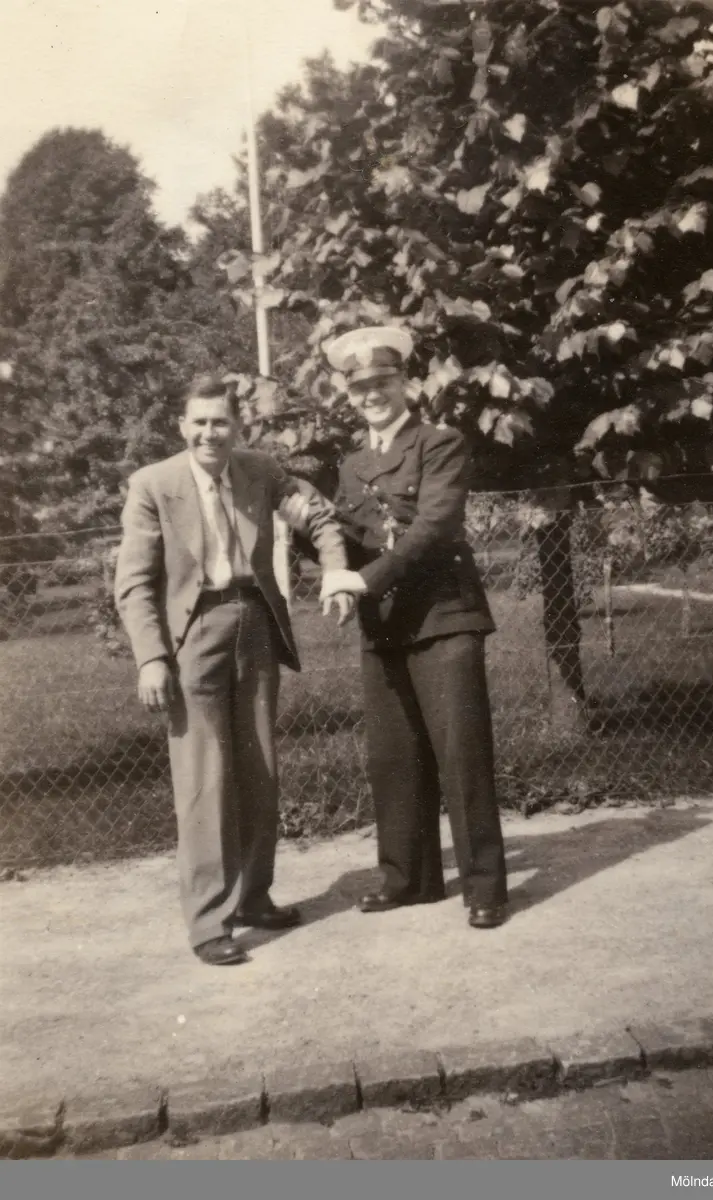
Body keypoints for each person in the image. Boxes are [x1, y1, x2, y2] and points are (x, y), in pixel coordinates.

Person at [115, 374, 352, 966]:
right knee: (203, 778)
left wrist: (336, 569)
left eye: (220, 422)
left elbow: (317, 516)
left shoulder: (260, 471)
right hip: (192, 635)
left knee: (259, 768)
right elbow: (135, 584)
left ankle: (253, 897)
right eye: (198, 422)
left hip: (256, 625)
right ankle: (206, 922)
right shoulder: (153, 486)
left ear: (236, 426)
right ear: (182, 426)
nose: (209, 433)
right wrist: (150, 657)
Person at [319, 326, 508, 929]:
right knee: (393, 759)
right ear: (348, 396)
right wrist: (306, 534)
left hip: (444, 617)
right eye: (360, 388)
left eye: (382, 382)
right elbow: (348, 540)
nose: (372, 395)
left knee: (462, 756)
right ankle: (409, 879)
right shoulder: (352, 465)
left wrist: (365, 580)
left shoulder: (439, 442)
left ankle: (485, 888)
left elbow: (434, 526)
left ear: (405, 383)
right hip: (385, 626)